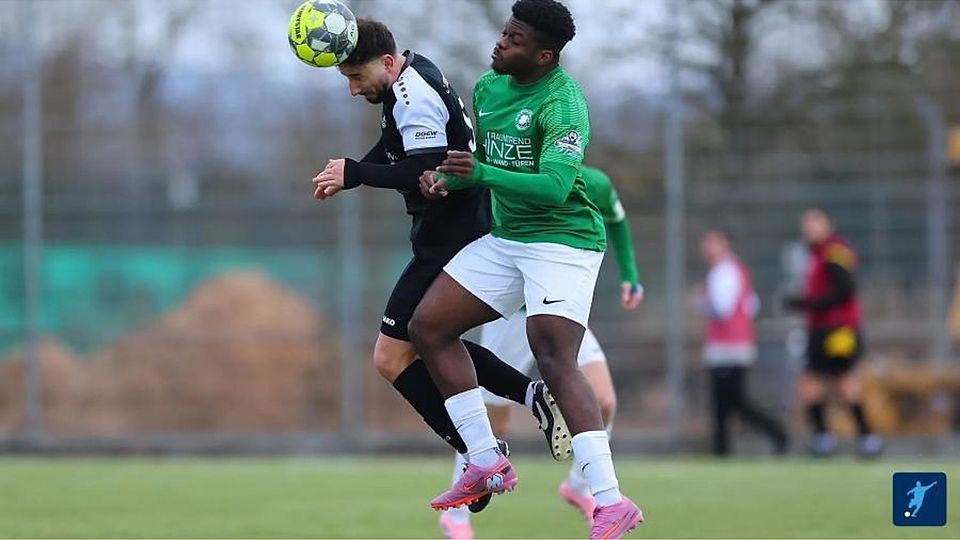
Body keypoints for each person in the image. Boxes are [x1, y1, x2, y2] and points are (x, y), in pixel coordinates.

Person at [410, 2, 643, 538]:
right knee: (429, 326)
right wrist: (447, 180)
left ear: (543, 56)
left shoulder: (564, 103)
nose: (500, 43)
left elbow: (556, 187)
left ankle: (610, 502)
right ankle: (485, 460)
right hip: (509, 239)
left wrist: (481, 175)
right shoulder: (489, 88)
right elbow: (480, 166)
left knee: (554, 356)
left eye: (515, 40)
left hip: (564, 243)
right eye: (504, 32)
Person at [310, 17, 569, 480]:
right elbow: (399, 148)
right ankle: (528, 402)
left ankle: (480, 455)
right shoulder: (410, 77)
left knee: (392, 356)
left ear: (386, 62)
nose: (352, 89)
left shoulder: (414, 94)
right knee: (433, 339)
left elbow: (422, 167)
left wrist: (356, 172)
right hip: (447, 230)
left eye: (356, 76)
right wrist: (353, 173)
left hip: (451, 235)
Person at [438, 165, 645, 539]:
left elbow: (616, 218)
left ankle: (580, 488)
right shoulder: (509, 177)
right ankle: (457, 517)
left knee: (603, 400)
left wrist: (630, 274)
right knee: (493, 420)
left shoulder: (594, 183)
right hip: (511, 316)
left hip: (559, 310)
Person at [784, 209, 882, 457]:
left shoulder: (835, 251)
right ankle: (823, 437)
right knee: (810, 383)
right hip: (818, 329)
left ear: (827, 225)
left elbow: (844, 289)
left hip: (840, 330)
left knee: (844, 382)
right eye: (807, 225)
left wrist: (806, 303)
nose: (810, 230)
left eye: (815, 224)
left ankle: (867, 437)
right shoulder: (814, 254)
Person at [697, 231, 788, 457]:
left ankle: (775, 433)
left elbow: (722, 308)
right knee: (725, 401)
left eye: (712, 243)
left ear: (724, 244)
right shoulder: (736, 269)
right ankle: (722, 448)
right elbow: (752, 306)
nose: (707, 248)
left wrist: (702, 300)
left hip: (728, 346)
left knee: (732, 401)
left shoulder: (724, 271)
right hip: (734, 344)